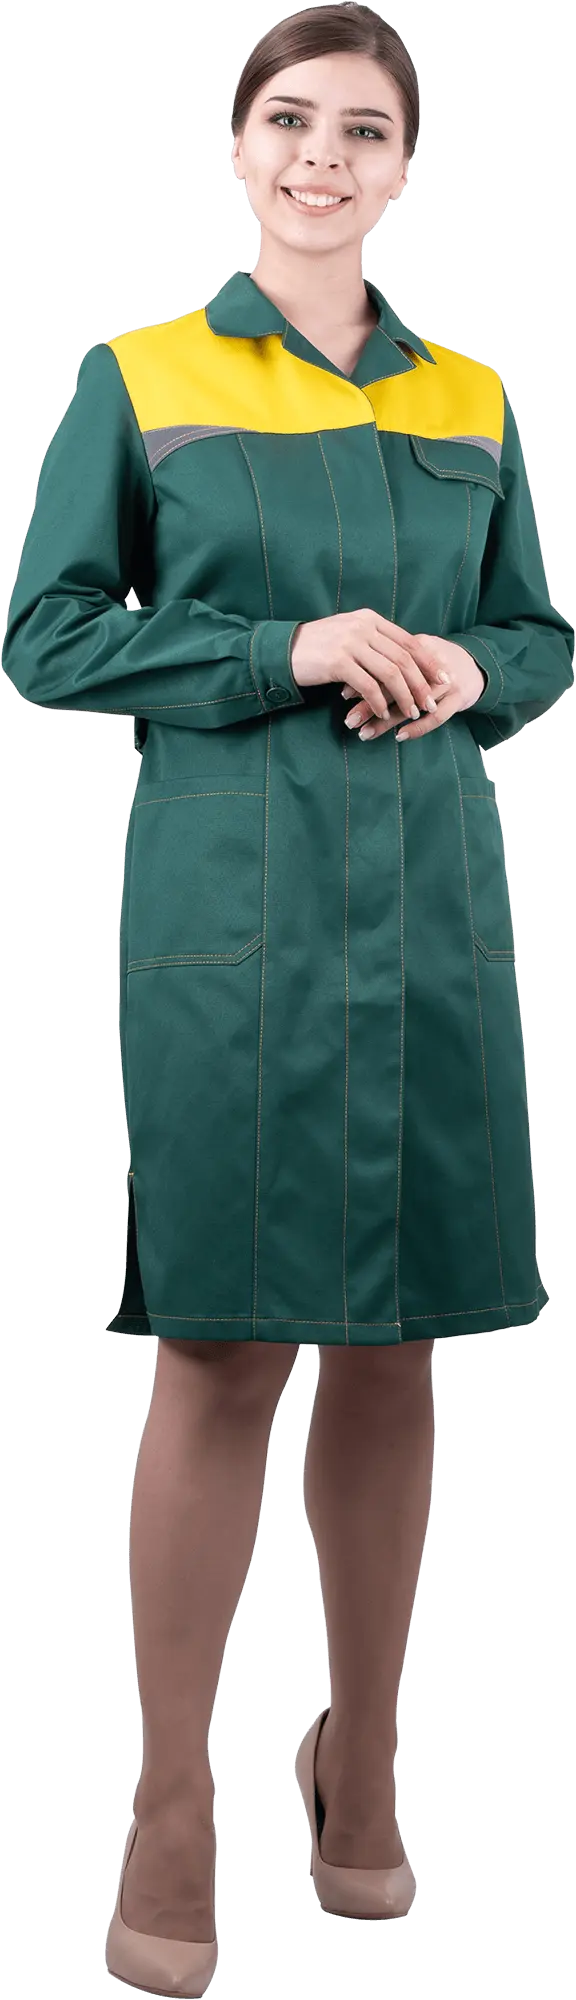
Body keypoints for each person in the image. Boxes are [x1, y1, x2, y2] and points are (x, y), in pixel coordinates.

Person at [3, 7, 573, 1991]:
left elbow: (539, 634)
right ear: (239, 147)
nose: (323, 156)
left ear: (408, 169)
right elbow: (49, 635)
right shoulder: (141, 377)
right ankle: (172, 1802)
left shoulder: (472, 397)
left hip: (430, 918)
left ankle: (368, 1765)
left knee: (403, 1346)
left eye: (365, 131)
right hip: (231, 924)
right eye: (289, 121)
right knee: (223, 1348)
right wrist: (287, 647)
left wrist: (477, 671)